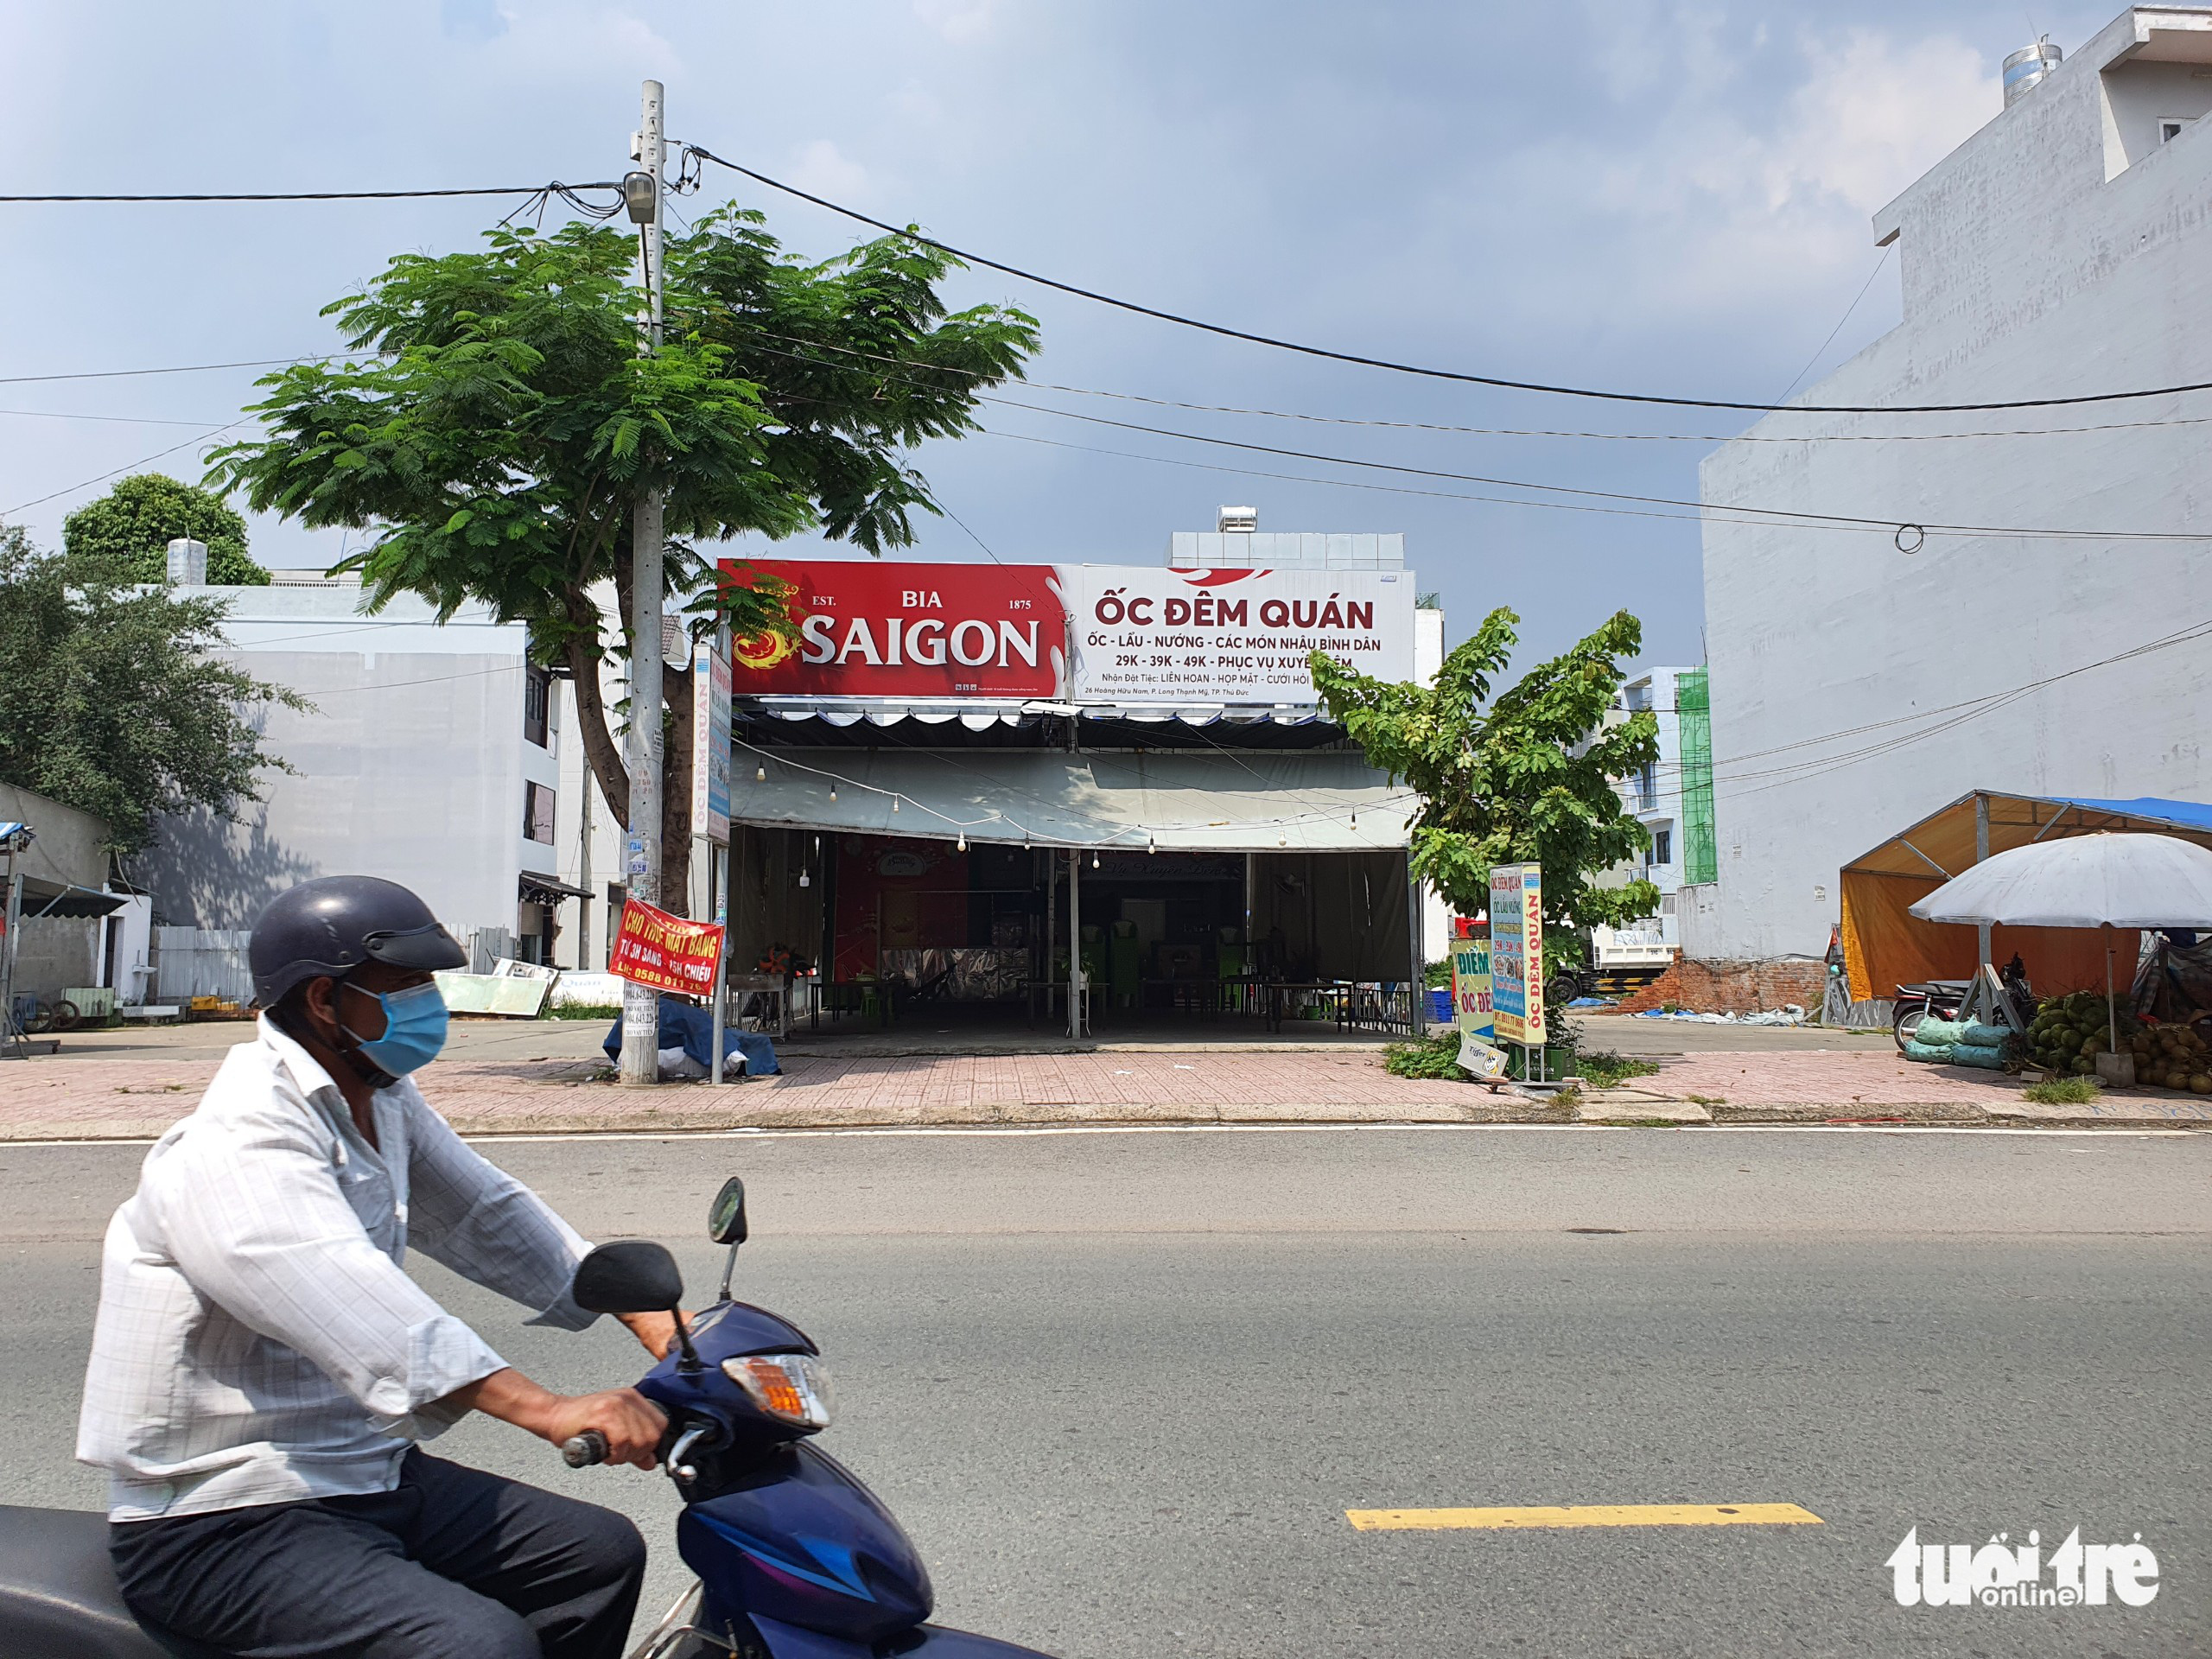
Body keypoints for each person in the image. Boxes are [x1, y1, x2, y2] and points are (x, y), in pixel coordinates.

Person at [76, 875, 671, 1659]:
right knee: (476, 1647)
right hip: (220, 1512)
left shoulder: (377, 1092)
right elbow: (357, 1310)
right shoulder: (239, 1141)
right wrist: (549, 1410)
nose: (430, 1002)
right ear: (325, 1000)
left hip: (364, 1471)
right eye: (408, 984)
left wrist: (658, 1319)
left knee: (596, 1557)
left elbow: (481, 1210)